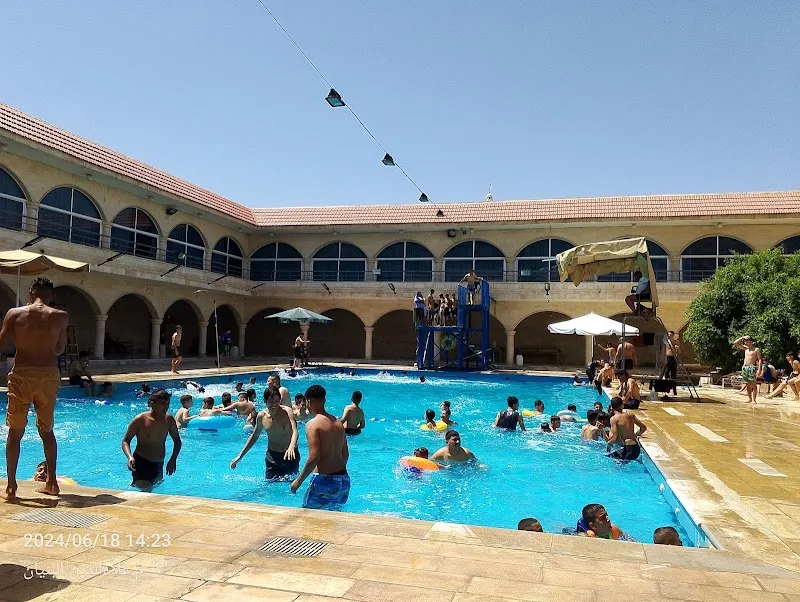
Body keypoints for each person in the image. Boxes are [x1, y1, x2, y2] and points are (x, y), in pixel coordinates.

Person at [0, 277, 68, 500]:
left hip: (22, 373)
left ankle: (11, 487)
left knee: (15, 432)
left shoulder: (14, 314)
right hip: (48, 374)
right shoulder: (60, 316)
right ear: (52, 295)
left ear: (31, 292)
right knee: (46, 430)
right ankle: (51, 483)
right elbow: (59, 349)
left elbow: (1, 345)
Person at [290, 385, 350, 510]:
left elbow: (314, 457)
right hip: (344, 480)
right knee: (333, 519)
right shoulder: (338, 423)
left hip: (324, 480)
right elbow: (345, 454)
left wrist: (298, 481)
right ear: (324, 401)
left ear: (308, 401)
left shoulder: (313, 424)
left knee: (310, 520)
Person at [231, 386, 300, 480]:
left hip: (291, 455)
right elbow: (254, 436)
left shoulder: (287, 411)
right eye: (271, 401)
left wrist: (292, 446)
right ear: (265, 401)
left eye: (277, 401)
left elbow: (295, 430)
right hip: (273, 457)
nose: (274, 404)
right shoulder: (261, 416)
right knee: (270, 486)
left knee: (291, 485)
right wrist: (240, 456)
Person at [122, 389, 181, 489]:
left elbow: (177, 441)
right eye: (162, 404)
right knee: (146, 493)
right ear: (152, 403)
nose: (166, 407)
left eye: (167, 404)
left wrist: (173, 458)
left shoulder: (169, 420)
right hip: (142, 463)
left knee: (155, 494)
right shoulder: (140, 420)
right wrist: (130, 457)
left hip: (159, 465)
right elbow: (125, 441)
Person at [607, 396, 647, 461]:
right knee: (613, 457)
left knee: (617, 465)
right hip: (635, 448)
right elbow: (643, 428)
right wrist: (635, 435)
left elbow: (615, 438)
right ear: (622, 405)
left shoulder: (614, 419)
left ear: (612, 407)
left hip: (629, 449)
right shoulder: (631, 415)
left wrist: (608, 443)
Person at [733, 335, 762, 404]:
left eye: (747, 341)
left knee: (753, 384)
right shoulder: (746, 348)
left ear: (751, 341)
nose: (746, 342)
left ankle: (754, 399)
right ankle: (749, 398)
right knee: (747, 384)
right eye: (746, 341)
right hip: (745, 367)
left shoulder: (756, 349)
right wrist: (742, 337)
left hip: (752, 367)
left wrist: (759, 369)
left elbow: (760, 359)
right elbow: (735, 343)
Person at [660, 331, 680, 398]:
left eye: (670, 335)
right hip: (668, 358)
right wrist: (661, 359)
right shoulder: (666, 342)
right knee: (667, 373)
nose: (669, 336)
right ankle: (667, 389)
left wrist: (678, 348)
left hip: (674, 357)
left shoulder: (676, 342)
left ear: (673, 335)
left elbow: (679, 352)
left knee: (674, 374)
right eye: (668, 335)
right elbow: (663, 350)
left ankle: (674, 390)